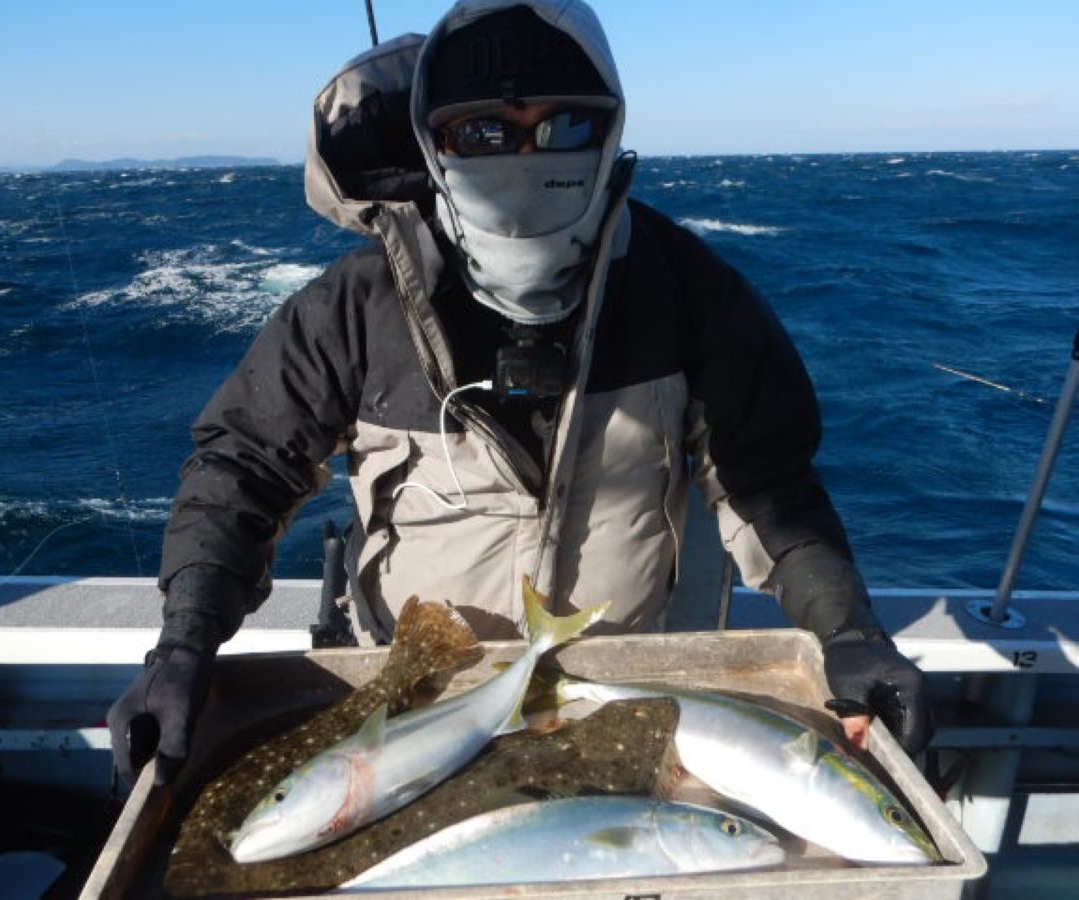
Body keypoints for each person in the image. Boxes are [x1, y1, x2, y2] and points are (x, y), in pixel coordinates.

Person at [108, 0, 932, 787]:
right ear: (433, 146)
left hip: (617, 687)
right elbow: (244, 471)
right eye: (485, 132)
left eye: (566, 126)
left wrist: (851, 635)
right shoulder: (353, 307)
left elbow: (768, 482)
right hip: (412, 701)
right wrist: (183, 649)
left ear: (611, 132)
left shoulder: (688, 290)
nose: (527, 158)